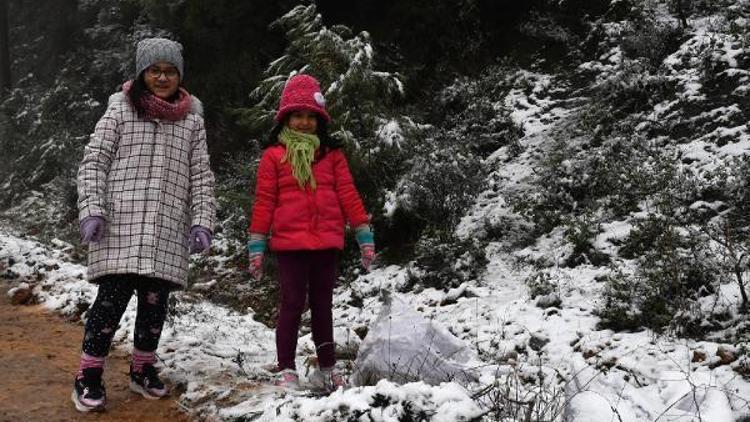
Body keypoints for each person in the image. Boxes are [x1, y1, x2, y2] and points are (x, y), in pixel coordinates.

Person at [72, 37, 215, 412]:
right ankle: (88, 375)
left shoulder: (192, 122)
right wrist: (92, 209)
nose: (162, 77)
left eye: (170, 71)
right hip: (119, 225)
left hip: (166, 228)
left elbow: (201, 177)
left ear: (179, 75)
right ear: (142, 74)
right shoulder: (120, 110)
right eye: (155, 70)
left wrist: (202, 222)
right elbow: (94, 162)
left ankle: (142, 368)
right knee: (110, 302)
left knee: (154, 306)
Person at [247, 74, 376, 392]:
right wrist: (257, 246)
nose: (304, 122)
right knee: (291, 304)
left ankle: (327, 367)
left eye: (310, 116)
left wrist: (364, 236)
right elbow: (264, 203)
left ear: (320, 120)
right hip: (290, 245)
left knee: (323, 305)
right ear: (285, 118)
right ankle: (287, 368)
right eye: (297, 115)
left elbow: (349, 196)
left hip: (326, 243)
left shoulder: (333, 156)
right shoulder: (274, 157)